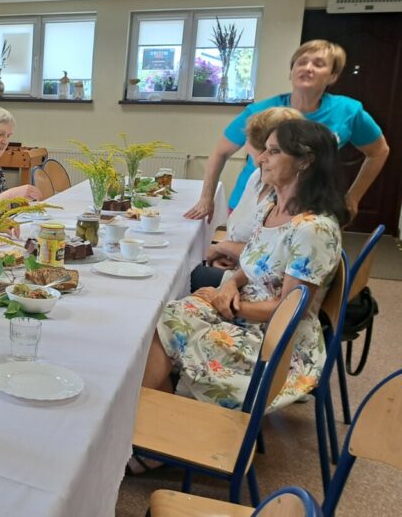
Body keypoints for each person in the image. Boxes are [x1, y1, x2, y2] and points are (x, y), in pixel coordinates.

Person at [145, 120, 346, 411]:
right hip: (248, 314)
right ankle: (158, 421)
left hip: (277, 344)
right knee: (166, 313)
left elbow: (288, 310)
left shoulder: (312, 229)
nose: (262, 158)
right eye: (264, 150)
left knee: (172, 322)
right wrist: (228, 284)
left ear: (305, 162)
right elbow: (250, 265)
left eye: (273, 152)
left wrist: (219, 303)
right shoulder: (273, 207)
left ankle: (155, 426)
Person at [185, 39, 389, 222]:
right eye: (301, 62)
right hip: (252, 201)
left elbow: (379, 151)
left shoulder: (348, 111)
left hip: (311, 206)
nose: (307, 68)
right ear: (291, 72)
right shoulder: (260, 111)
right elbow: (220, 153)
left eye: (318, 64)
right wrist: (206, 198)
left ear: (333, 76)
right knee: (242, 258)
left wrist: (353, 197)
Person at [190, 107, 303, 291]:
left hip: (261, 286)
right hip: (241, 268)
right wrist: (225, 253)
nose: (246, 146)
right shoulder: (257, 178)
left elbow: (273, 257)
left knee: (184, 276)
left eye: (272, 150)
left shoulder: (287, 198)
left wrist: (222, 248)